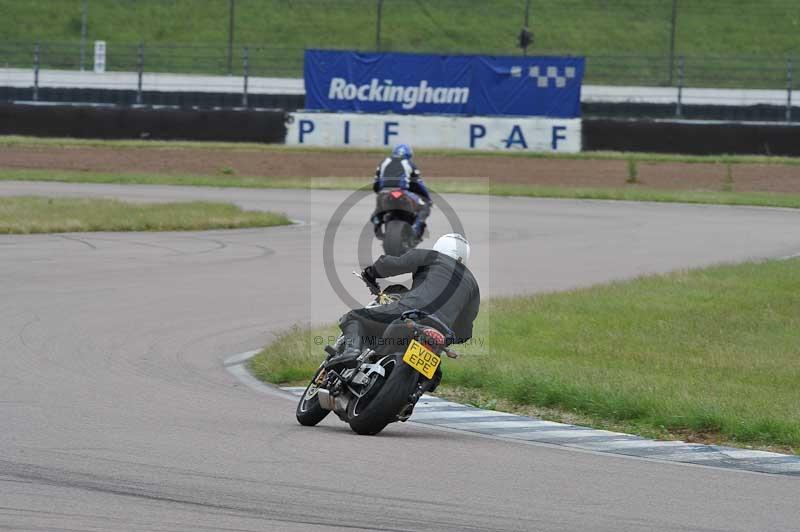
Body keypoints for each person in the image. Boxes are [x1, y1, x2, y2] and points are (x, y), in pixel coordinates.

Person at [328, 233, 480, 376]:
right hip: (441, 331)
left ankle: (351, 351)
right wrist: (449, 338)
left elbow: (391, 264)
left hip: (411, 311)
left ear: (439, 247)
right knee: (432, 374)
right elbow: (465, 330)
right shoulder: (472, 284)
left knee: (354, 316)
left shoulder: (433, 256)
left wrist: (371, 273)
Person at [373, 144, 433, 238]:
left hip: (384, 193)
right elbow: (419, 184)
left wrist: (380, 192)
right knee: (425, 207)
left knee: (378, 210)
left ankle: (377, 224)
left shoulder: (383, 162)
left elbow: (376, 183)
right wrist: (428, 198)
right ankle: (415, 228)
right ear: (409, 155)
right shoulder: (409, 163)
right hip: (402, 192)